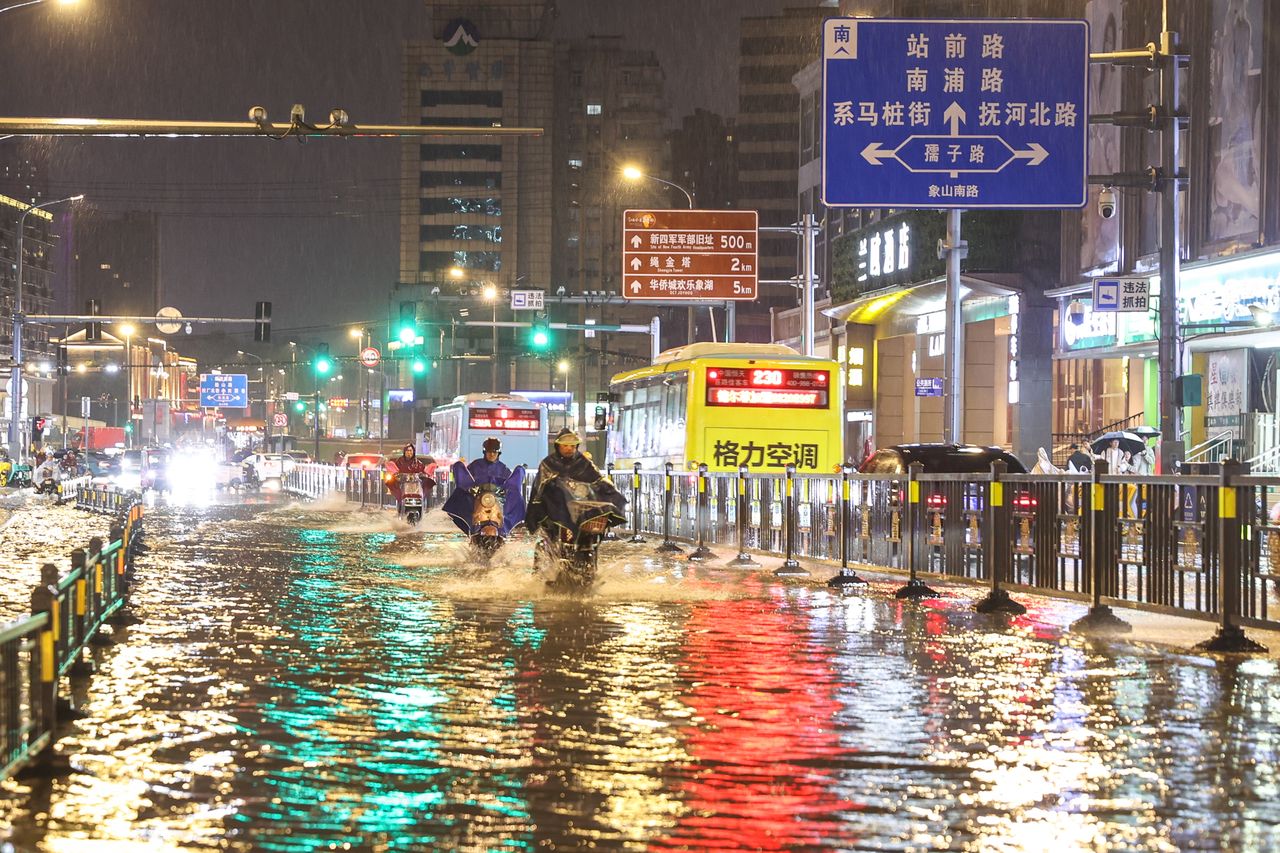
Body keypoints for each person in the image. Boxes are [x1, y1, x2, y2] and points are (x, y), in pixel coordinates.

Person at [525, 429, 625, 532]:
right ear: (558, 446)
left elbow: (596, 478)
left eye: (572, 446)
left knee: (601, 507)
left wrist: (608, 487)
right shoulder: (548, 463)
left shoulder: (583, 462)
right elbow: (540, 486)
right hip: (555, 502)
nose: (569, 449)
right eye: (565, 446)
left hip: (580, 501)